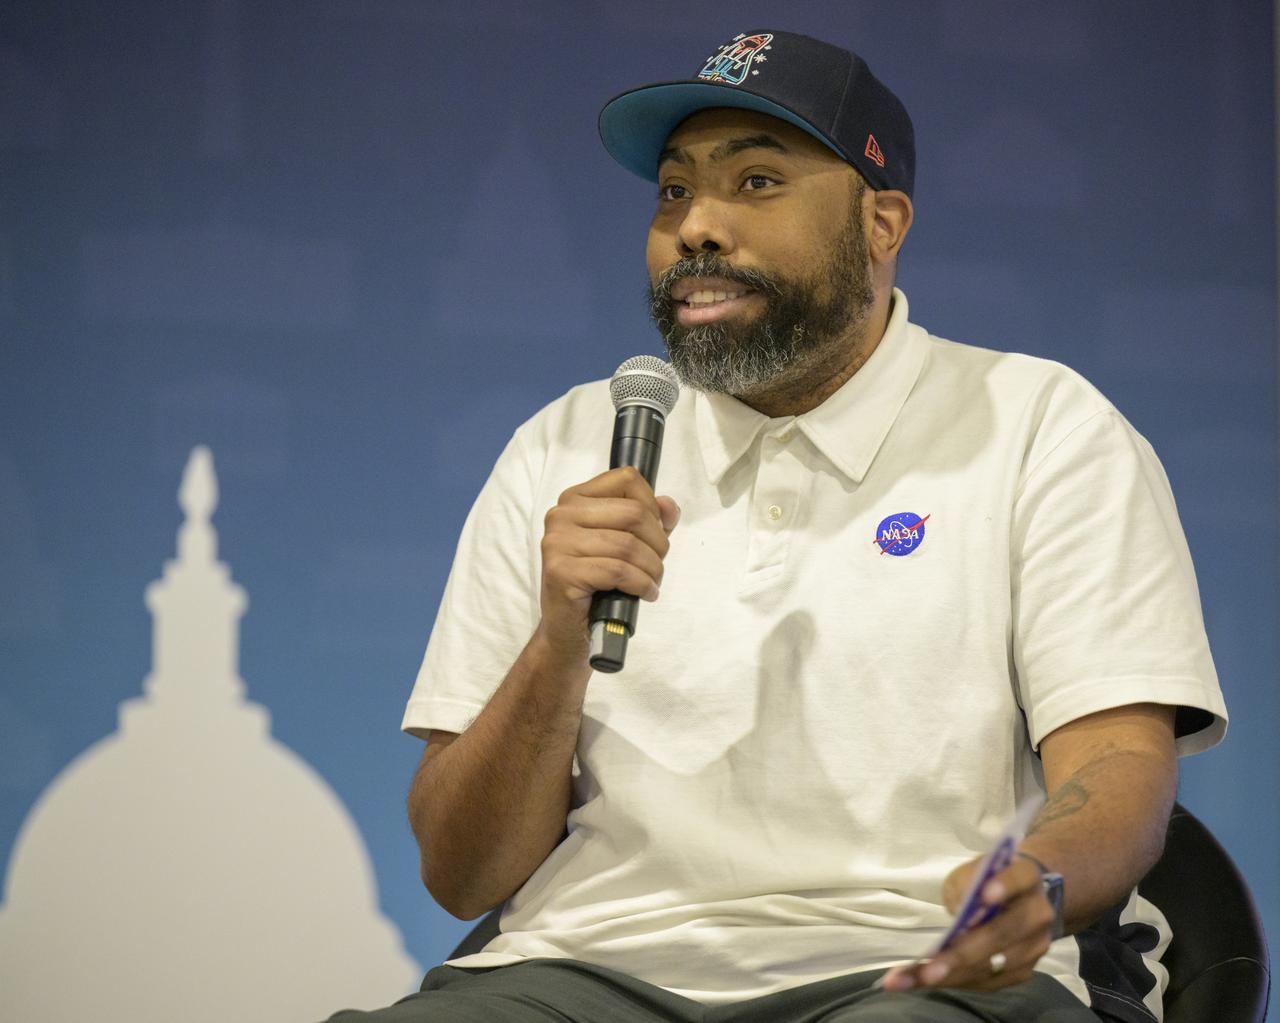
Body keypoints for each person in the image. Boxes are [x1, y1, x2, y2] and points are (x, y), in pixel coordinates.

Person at [329, 28, 1227, 1023]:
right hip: (583, 973)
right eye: (674, 191)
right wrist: (556, 644)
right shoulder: (564, 445)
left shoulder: (1039, 427)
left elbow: (1116, 766)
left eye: (755, 183)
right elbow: (461, 875)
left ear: (880, 223)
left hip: (916, 968)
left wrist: (1037, 879)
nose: (696, 228)